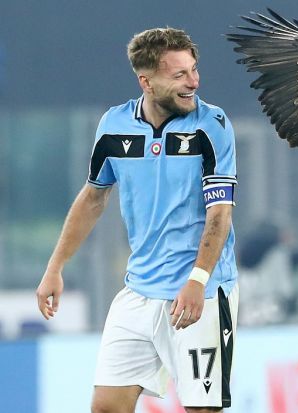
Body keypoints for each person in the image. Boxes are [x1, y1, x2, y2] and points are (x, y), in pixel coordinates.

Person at [35, 28, 238, 413]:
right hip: (139, 291)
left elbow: (220, 214)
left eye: (194, 70)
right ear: (146, 81)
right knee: (106, 407)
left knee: (202, 410)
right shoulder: (114, 126)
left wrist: (198, 280)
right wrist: (55, 267)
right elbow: (93, 197)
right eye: (179, 75)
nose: (194, 82)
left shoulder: (211, 126)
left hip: (201, 294)